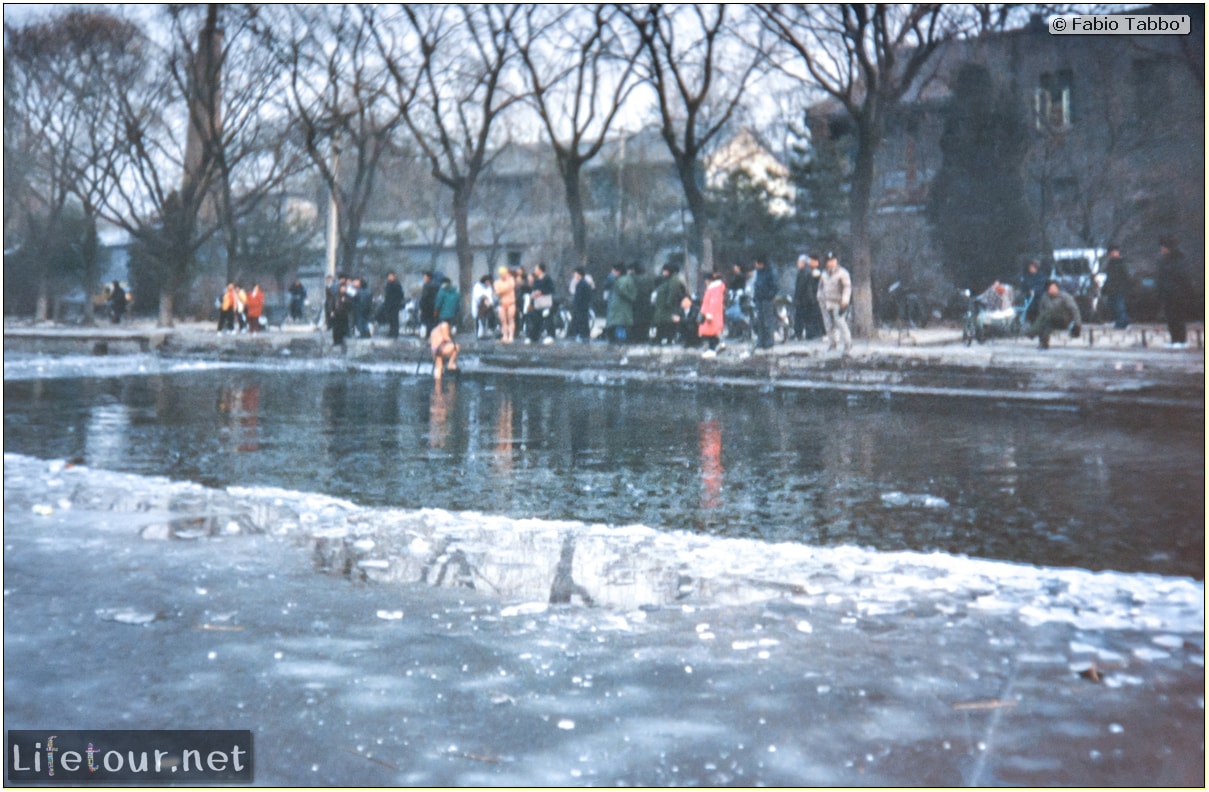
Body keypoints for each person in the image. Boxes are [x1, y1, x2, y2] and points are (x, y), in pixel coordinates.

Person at [1156, 236, 1195, 347]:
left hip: (1177, 294)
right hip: (1168, 293)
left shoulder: (1178, 260)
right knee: (1170, 318)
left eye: (1163, 247)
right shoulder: (1164, 260)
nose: (1161, 250)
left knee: (1178, 317)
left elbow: (1183, 277)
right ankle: (1174, 340)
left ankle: (1181, 340)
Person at [1027, 279, 1081, 350]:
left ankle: (1032, 332)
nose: (1054, 290)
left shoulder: (1065, 297)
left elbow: (1074, 310)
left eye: (1055, 288)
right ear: (1047, 290)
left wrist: (1077, 324)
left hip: (1063, 319)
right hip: (1049, 319)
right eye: (1051, 288)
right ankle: (1043, 343)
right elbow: (1041, 309)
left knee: (1046, 315)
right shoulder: (1045, 297)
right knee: (1046, 324)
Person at [817, 253, 852, 354]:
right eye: (829, 261)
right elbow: (820, 287)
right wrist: (819, 298)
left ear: (836, 261)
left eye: (833, 260)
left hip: (838, 302)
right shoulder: (824, 274)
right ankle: (833, 343)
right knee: (828, 324)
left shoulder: (842, 273)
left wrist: (845, 301)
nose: (831, 263)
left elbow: (847, 288)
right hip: (826, 302)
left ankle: (848, 343)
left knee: (840, 322)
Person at [652, 264, 688, 345]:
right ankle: (666, 339)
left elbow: (672, 293)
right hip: (667, 306)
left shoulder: (673, 280)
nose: (663, 272)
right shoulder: (671, 280)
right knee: (666, 323)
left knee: (668, 323)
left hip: (668, 307)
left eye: (664, 271)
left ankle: (668, 339)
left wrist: (668, 303)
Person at [793, 254, 824, 340]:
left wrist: (808, 299)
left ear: (803, 263)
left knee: (805, 318)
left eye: (799, 262)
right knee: (804, 318)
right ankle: (804, 334)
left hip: (805, 300)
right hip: (805, 299)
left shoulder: (806, 273)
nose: (797, 264)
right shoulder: (804, 272)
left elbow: (804, 287)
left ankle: (806, 334)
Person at [1099, 246, 1131, 330]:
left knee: (1119, 306)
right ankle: (1120, 321)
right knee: (1112, 306)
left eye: (1115, 252)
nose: (1113, 254)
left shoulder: (1121, 263)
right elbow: (1108, 277)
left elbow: (1126, 276)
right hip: (1111, 289)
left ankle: (1122, 323)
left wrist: (1125, 286)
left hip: (1119, 288)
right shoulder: (1110, 263)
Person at [605, 262, 636, 343]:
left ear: (618, 271)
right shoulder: (622, 279)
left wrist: (615, 282)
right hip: (618, 310)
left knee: (620, 327)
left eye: (613, 271)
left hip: (621, 310)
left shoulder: (623, 280)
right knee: (618, 326)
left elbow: (623, 292)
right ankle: (619, 343)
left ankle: (620, 343)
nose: (611, 273)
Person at [752, 256, 778, 350]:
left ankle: (769, 342)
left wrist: (769, 296)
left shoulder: (771, 272)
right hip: (759, 299)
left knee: (767, 321)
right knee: (760, 321)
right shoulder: (759, 272)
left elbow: (775, 286)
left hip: (767, 300)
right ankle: (761, 341)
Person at [698, 271, 726, 357]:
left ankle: (712, 349)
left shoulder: (714, 289)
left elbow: (713, 302)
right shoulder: (715, 288)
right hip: (712, 313)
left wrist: (709, 314)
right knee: (711, 332)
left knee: (711, 332)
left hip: (711, 314)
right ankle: (717, 345)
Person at [528, 262, 556, 344]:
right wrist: (533, 295)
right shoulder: (536, 280)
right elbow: (534, 290)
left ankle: (550, 335)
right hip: (537, 303)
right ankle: (534, 337)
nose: (535, 271)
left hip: (546, 302)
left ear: (540, 270)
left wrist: (541, 292)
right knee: (536, 320)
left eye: (536, 269)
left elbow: (551, 289)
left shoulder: (547, 278)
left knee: (548, 319)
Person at [569, 267, 595, 342]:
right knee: (582, 321)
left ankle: (583, 336)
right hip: (582, 307)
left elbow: (579, 296)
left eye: (575, 273)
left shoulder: (582, 284)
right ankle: (582, 336)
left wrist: (576, 304)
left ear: (578, 274)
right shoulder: (583, 283)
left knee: (582, 322)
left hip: (581, 307)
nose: (574, 275)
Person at [493, 266, 517, 343]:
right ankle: (505, 336)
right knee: (503, 321)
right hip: (502, 303)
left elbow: (510, 287)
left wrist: (502, 289)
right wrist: (505, 289)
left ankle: (511, 336)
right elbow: (497, 291)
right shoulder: (497, 282)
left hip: (511, 303)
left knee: (511, 319)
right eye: (501, 274)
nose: (503, 275)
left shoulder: (511, 280)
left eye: (504, 273)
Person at [472, 274, 496, 340]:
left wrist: (490, 302)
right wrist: (484, 298)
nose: (488, 284)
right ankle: (479, 334)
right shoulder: (478, 286)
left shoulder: (489, 287)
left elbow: (490, 297)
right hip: (479, 307)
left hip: (487, 307)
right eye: (487, 282)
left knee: (487, 319)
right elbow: (477, 296)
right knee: (480, 320)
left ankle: (486, 333)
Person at [382, 271, 405, 339]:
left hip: (394, 304)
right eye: (389, 276)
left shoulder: (396, 284)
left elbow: (400, 294)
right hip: (389, 304)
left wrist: (396, 301)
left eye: (391, 276)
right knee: (390, 319)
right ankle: (391, 331)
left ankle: (395, 332)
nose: (389, 277)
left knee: (394, 319)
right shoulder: (388, 284)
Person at [419, 271, 440, 339]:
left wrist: (421, 305)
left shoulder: (427, 285)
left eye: (425, 276)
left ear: (428, 277)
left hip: (427, 307)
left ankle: (429, 335)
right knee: (434, 322)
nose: (424, 278)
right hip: (435, 306)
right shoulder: (437, 285)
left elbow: (424, 297)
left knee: (428, 322)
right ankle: (434, 335)